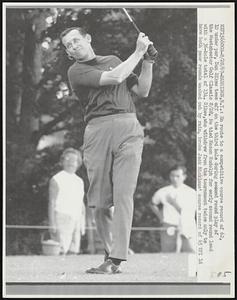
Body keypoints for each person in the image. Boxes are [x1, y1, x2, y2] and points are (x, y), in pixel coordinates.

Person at [60, 27, 155, 273]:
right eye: (68, 45)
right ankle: (109, 253)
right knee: (101, 202)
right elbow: (113, 78)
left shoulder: (113, 60)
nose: (72, 46)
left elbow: (142, 91)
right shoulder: (77, 70)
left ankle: (115, 260)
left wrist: (148, 61)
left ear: (88, 38)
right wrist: (137, 51)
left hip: (128, 128)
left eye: (76, 40)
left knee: (124, 195)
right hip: (97, 130)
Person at [150, 165, 196, 253]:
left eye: (178, 176)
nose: (175, 179)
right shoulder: (163, 191)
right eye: (172, 176)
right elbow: (152, 204)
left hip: (187, 226)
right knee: (167, 253)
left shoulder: (191, 192)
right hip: (169, 225)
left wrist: (173, 203)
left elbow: (186, 212)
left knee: (191, 252)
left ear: (184, 177)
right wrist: (161, 218)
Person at [48, 148, 86, 255]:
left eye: (74, 160)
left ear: (78, 163)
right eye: (67, 159)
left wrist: (83, 223)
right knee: (61, 251)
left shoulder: (79, 181)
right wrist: (52, 223)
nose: (70, 162)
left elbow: (81, 203)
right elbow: (51, 202)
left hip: (76, 219)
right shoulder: (56, 179)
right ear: (62, 161)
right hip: (61, 218)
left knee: (74, 250)